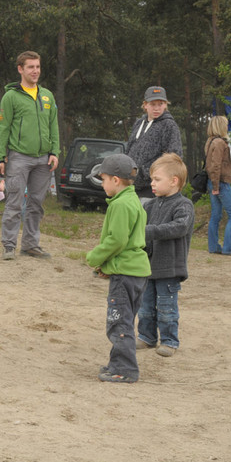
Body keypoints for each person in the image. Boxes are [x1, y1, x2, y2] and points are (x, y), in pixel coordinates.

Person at [85, 154, 151, 383]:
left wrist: (94, 257)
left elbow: (117, 241)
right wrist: (106, 266)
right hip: (135, 272)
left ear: (115, 180)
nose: (101, 184)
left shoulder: (121, 204)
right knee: (123, 320)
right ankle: (117, 364)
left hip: (126, 274)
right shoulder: (132, 200)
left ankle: (126, 370)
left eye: (102, 179)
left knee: (118, 323)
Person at [0, 50, 60, 260]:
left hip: (43, 159)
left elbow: (53, 125)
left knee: (36, 204)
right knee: (14, 202)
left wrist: (55, 152)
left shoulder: (47, 95)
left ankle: (31, 244)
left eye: (37, 67)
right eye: (30, 67)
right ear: (20, 69)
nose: (35, 71)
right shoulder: (11, 96)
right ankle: (9, 245)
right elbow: (3, 128)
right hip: (18, 157)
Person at [136, 153, 194, 357]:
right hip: (147, 267)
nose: (152, 183)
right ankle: (146, 337)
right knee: (145, 306)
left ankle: (169, 340)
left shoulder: (183, 205)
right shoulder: (150, 205)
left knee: (167, 308)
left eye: (157, 179)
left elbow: (179, 227)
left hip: (169, 268)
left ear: (174, 181)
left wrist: (149, 231)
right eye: (152, 179)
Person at [124, 86, 183, 199]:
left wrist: (147, 173)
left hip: (152, 189)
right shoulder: (138, 123)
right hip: (132, 186)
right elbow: (129, 149)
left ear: (165, 105)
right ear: (145, 105)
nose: (156, 108)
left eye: (160, 104)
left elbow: (175, 158)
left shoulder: (169, 125)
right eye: (152, 104)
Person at [205, 115, 231, 256]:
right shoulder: (220, 143)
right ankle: (228, 248)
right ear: (221, 126)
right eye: (226, 125)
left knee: (216, 215)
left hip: (213, 181)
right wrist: (216, 187)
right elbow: (215, 166)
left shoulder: (211, 141)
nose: (227, 127)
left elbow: (220, 162)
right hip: (220, 183)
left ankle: (213, 246)